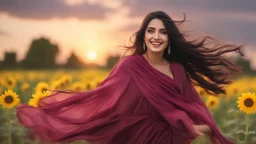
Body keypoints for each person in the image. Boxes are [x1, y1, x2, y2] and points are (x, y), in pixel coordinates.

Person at [17, 11, 243, 144]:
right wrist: (59, 115)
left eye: (163, 32)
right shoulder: (130, 66)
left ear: (170, 39)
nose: (156, 36)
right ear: (144, 36)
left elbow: (195, 108)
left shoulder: (177, 70)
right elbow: (105, 100)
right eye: (151, 31)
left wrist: (202, 127)